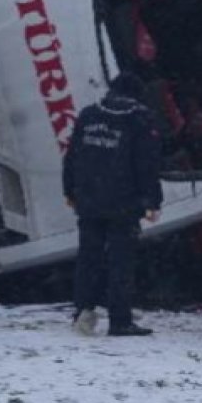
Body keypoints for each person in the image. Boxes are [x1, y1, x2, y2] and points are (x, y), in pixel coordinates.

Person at [63, 73, 162, 337]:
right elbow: (146, 164)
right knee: (121, 262)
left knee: (88, 258)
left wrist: (69, 190)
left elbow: (71, 156)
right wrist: (153, 200)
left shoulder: (88, 115)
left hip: (89, 201)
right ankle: (120, 320)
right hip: (123, 203)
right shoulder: (138, 117)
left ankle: (83, 312)